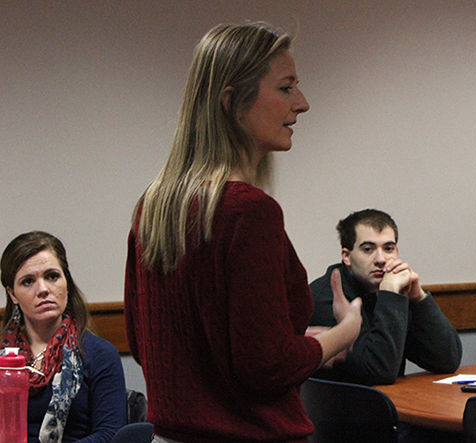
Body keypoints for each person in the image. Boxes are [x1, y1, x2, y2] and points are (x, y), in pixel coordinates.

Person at [124, 22, 362, 443]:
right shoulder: (248, 213)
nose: (302, 103)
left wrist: (292, 340)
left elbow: (152, 348)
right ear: (233, 102)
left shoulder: (154, 207)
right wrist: (345, 331)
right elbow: (266, 367)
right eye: (286, 87)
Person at [309, 209, 462, 386]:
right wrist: (389, 295)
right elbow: (377, 372)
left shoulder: (395, 290)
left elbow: (447, 360)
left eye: (388, 248)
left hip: (387, 406)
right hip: (339, 408)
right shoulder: (326, 297)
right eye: (368, 249)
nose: (381, 259)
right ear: (347, 256)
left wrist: (418, 298)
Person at [1, 231, 126, 442]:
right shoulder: (4, 358)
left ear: (66, 282)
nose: (43, 289)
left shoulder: (99, 354)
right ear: (12, 294)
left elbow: (110, 434)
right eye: (28, 281)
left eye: (52, 276)